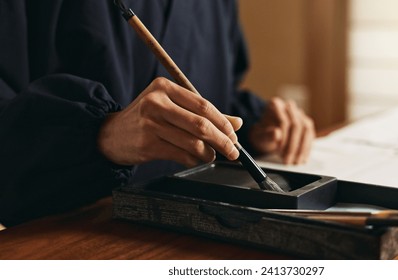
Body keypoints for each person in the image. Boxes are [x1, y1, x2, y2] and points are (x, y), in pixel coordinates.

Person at [0, 0, 315, 226]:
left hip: (196, 226)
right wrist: (103, 135)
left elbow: (215, 91)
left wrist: (252, 126)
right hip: (73, 233)